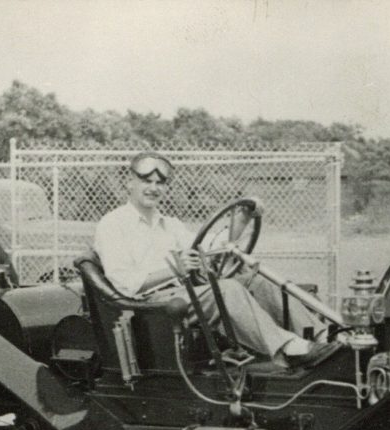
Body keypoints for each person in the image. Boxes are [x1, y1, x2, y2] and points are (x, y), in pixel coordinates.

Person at [94, 151, 336, 368]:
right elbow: (124, 284)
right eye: (147, 181)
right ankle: (288, 348)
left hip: (183, 294)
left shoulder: (169, 225)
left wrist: (243, 218)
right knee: (227, 289)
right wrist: (174, 272)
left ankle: (323, 337)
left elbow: (211, 247)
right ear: (129, 183)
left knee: (252, 279)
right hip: (151, 307)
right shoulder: (113, 225)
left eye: (160, 183)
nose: (154, 188)